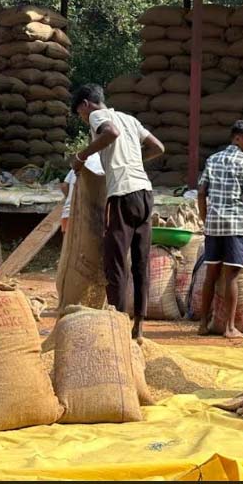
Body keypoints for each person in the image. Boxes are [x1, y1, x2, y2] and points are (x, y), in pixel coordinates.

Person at [71, 84, 165, 340]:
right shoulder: (130, 119)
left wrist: (80, 156)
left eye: (80, 113)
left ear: (85, 104)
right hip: (145, 193)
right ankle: (139, 326)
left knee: (115, 262)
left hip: (122, 194)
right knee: (140, 262)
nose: (83, 118)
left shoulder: (97, 115)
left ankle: (118, 322)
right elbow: (158, 147)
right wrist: (133, 161)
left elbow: (111, 133)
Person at [197, 120, 243, 339]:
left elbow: (201, 192)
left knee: (211, 275)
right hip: (235, 225)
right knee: (231, 276)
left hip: (213, 226)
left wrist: (205, 217)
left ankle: (203, 324)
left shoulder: (212, 159)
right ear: (237, 139)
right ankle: (229, 327)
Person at [60, 169, 76, 234]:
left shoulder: (74, 169)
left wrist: (69, 198)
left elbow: (64, 186)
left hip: (68, 210)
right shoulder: (101, 168)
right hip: (85, 214)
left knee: (66, 234)